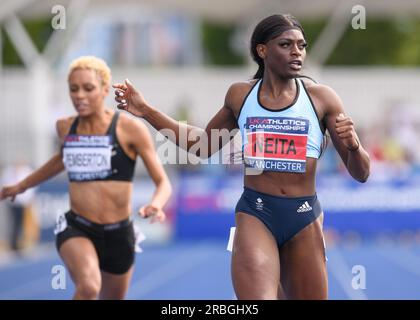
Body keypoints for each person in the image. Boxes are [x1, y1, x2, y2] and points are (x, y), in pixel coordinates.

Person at [113, 14, 370, 300]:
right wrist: (146, 111)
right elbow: (202, 146)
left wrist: (354, 145)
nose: (297, 51)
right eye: (286, 44)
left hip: (304, 216)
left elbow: (361, 174)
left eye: (301, 45)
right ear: (262, 50)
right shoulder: (240, 96)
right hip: (256, 214)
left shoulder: (323, 99)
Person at [0, 56, 172, 300]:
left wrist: (156, 203)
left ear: (104, 90)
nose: (79, 95)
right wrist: (21, 185)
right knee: (89, 287)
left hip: (119, 233)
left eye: (88, 88)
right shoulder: (65, 127)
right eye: (73, 89)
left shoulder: (129, 129)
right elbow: (61, 159)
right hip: (77, 227)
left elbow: (163, 182)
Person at [1, 162, 36, 252]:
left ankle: (20, 241)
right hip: (12, 202)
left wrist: (23, 190)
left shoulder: (26, 171)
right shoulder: (8, 172)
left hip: (23, 202)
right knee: (13, 222)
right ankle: (13, 242)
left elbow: (32, 186)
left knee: (22, 222)